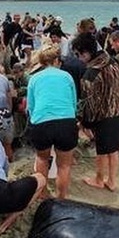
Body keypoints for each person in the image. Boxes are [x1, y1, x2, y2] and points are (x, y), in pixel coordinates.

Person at [73, 32, 119, 192]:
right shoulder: (114, 61)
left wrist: (85, 123)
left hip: (103, 117)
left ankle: (99, 179)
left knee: (102, 151)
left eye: (78, 54)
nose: (78, 58)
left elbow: (89, 104)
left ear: (86, 53)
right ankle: (112, 181)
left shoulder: (89, 75)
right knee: (113, 149)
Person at [26, 45, 78, 199]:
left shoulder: (34, 78)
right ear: (56, 60)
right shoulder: (66, 76)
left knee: (42, 159)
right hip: (66, 122)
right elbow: (73, 102)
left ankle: (42, 193)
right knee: (64, 165)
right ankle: (61, 197)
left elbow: (31, 106)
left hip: (42, 123)